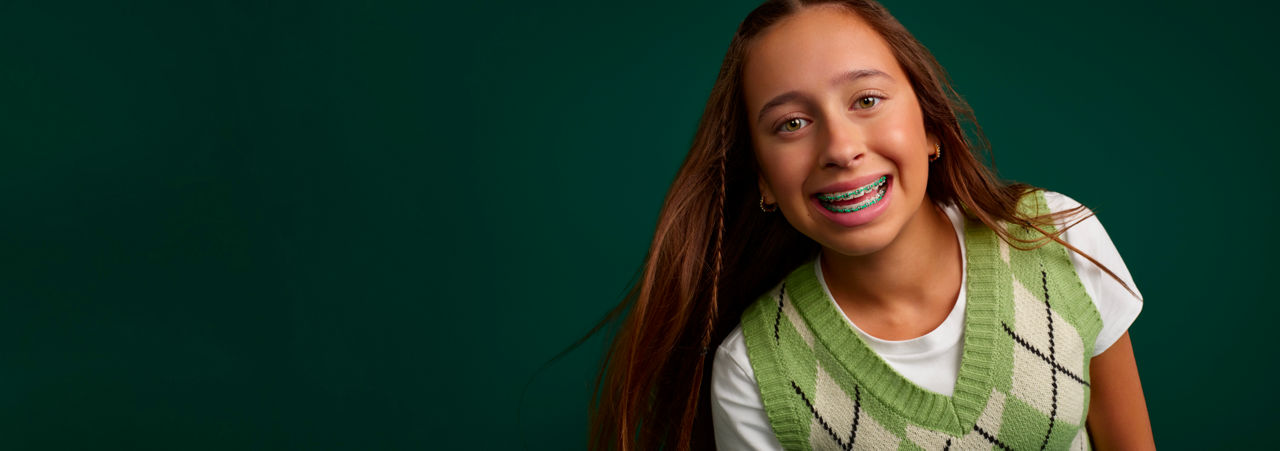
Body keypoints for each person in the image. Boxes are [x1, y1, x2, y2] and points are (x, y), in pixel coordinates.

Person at [587, 1, 1153, 450]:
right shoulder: (753, 372)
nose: (839, 147)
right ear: (761, 178)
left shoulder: (1057, 234)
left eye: (867, 99)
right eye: (791, 123)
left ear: (931, 127)